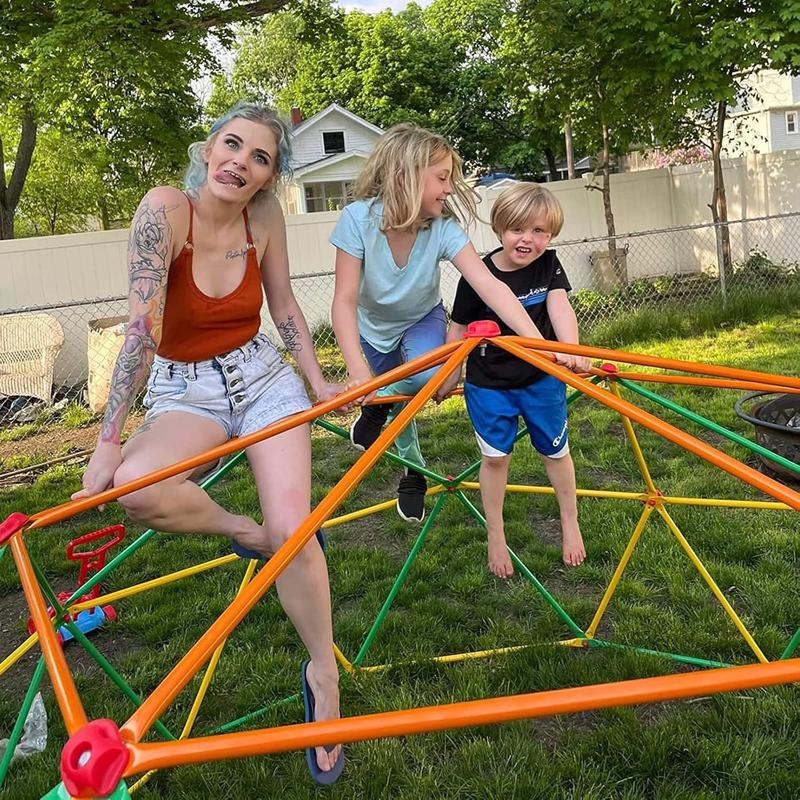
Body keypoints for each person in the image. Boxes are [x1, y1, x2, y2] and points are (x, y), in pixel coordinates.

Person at [72, 103, 343, 781]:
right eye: (232, 145)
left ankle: (323, 673)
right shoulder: (165, 210)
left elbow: (282, 304)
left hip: (260, 378)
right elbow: (141, 328)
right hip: (184, 389)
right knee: (139, 490)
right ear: (206, 148)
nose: (240, 163)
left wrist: (317, 381)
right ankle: (242, 533)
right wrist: (108, 443)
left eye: (260, 159)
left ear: (269, 179)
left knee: (296, 530)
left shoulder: (265, 219)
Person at [330, 124, 552, 523]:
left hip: (421, 318)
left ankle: (378, 413)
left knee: (422, 378)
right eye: (442, 177)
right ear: (408, 174)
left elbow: (490, 286)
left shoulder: (442, 228)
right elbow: (344, 301)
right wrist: (359, 373)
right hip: (372, 327)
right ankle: (413, 472)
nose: (450, 188)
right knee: (400, 404)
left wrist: (538, 342)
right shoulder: (357, 219)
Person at [437, 182, 591, 577]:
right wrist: (447, 374)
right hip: (490, 385)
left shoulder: (548, 263)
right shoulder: (478, 274)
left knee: (556, 452)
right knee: (495, 459)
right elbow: (457, 330)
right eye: (519, 229)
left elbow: (560, 305)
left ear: (550, 236)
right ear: (501, 228)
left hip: (542, 380)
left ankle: (570, 522)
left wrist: (570, 350)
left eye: (539, 231)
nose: (528, 239)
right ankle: (496, 533)